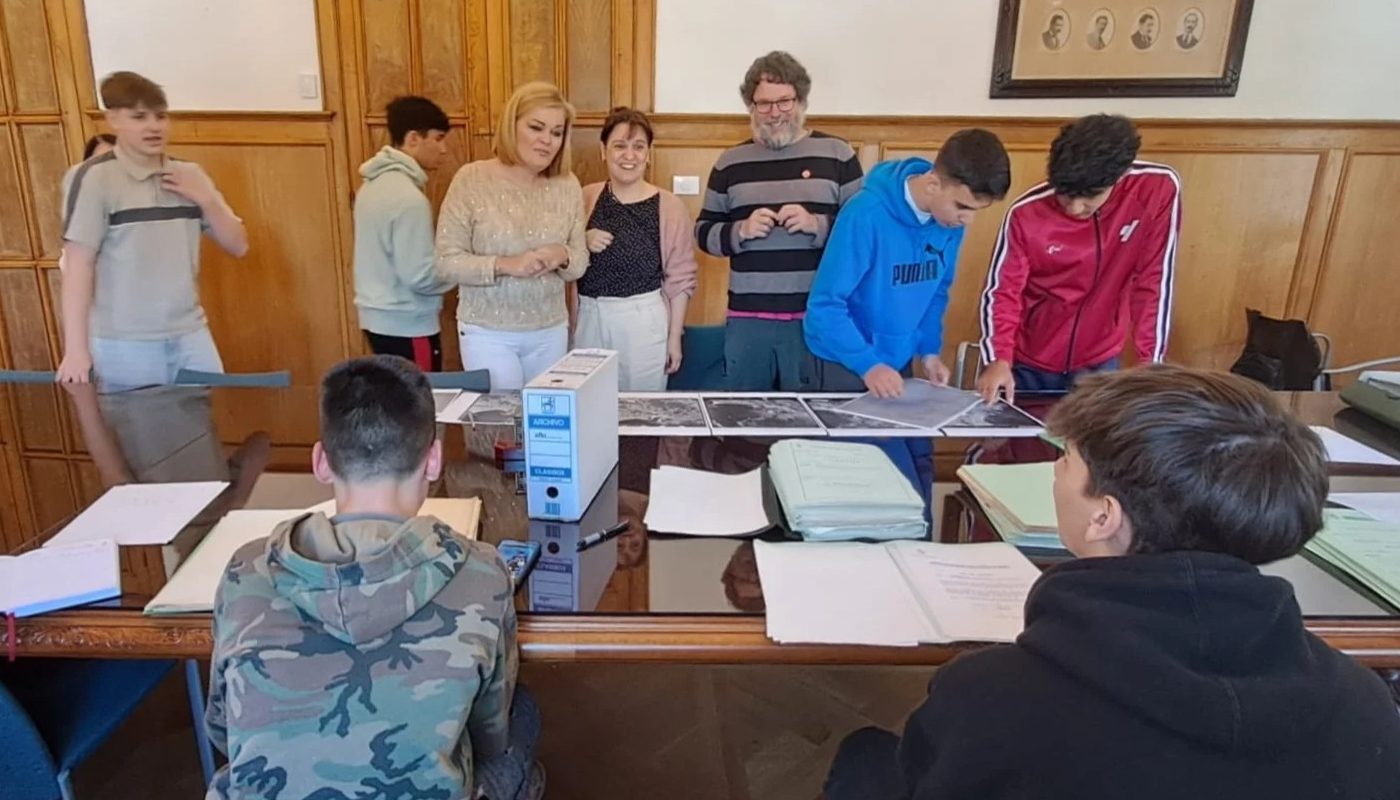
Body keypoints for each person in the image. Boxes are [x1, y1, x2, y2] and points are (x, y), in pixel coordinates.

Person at [824, 365, 1400, 800]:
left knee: (862, 757)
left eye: (1065, 460)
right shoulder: (1367, 705)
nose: (1054, 470)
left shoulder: (989, 698)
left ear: (1104, 515)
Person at [206, 355, 543, 800]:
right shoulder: (481, 572)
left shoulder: (245, 571)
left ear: (321, 462)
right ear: (434, 461)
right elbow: (490, 732)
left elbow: (221, 728)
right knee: (524, 714)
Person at [805, 130, 1010, 506]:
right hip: (845, 362)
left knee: (919, 468)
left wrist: (929, 351)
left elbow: (936, 291)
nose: (967, 220)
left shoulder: (947, 224)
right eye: (962, 207)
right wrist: (867, 364)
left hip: (898, 364)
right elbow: (824, 308)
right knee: (876, 483)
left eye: (975, 212)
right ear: (933, 184)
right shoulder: (865, 214)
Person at [57, 71, 248, 389]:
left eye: (160, 116)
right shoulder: (93, 178)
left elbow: (239, 246)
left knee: (200, 421)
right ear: (114, 119)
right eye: (139, 117)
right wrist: (75, 351)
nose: (153, 126)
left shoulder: (190, 173)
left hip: (191, 334)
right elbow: (78, 266)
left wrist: (205, 199)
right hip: (124, 344)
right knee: (136, 422)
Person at [977, 114, 1180, 404]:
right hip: (1029, 361)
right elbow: (1002, 291)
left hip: (1100, 360)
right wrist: (999, 358)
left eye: (1089, 197)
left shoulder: (1158, 189)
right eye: (1065, 194)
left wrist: (1150, 364)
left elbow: (1155, 283)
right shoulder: (1026, 213)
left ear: (1119, 176)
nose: (1074, 208)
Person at [696, 51, 863, 391]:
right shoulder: (730, 163)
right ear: (751, 107)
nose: (774, 113)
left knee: (812, 416)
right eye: (764, 104)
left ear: (801, 101)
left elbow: (862, 236)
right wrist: (739, 231)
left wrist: (817, 225)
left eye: (784, 101)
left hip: (816, 316)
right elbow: (702, 233)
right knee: (742, 416)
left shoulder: (838, 154)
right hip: (747, 320)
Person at [436, 81, 588, 390]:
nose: (547, 140)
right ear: (511, 126)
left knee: (546, 418)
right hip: (487, 331)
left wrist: (562, 255)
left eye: (557, 132)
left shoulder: (568, 184)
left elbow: (579, 261)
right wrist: (506, 264)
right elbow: (446, 263)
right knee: (501, 418)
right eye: (536, 127)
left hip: (550, 329)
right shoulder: (471, 179)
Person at [578, 107, 698, 390]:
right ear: (603, 150)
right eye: (619, 146)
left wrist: (674, 338)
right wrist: (582, 240)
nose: (629, 155)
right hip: (589, 316)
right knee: (588, 404)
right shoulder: (585, 197)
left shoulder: (669, 206)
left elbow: (681, 278)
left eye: (638, 147)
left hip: (644, 322)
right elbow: (562, 253)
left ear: (648, 153)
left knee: (642, 408)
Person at [353, 95, 455, 371]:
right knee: (419, 394)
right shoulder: (409, 199)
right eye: (438, 138)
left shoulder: (371, 186)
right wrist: (463, 270)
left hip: (377, 318)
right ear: (413, 139)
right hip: (407, 323)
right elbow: (420, 276)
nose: (444, 149)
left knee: (395, 394)